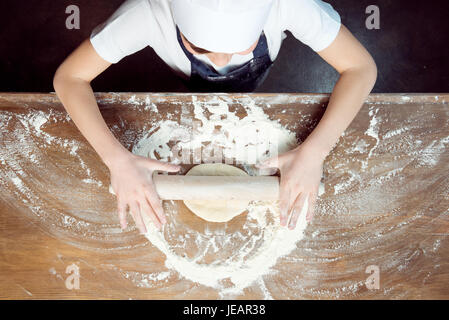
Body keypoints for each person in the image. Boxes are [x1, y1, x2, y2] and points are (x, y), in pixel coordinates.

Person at [53, 0, 377, 234]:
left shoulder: (291, 5)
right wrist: (116, 161)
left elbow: (360, 68)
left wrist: (315, 153)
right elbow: (69, 78)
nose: (222, 61)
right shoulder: (146, 14)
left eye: (241, 46)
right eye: (199, 47)